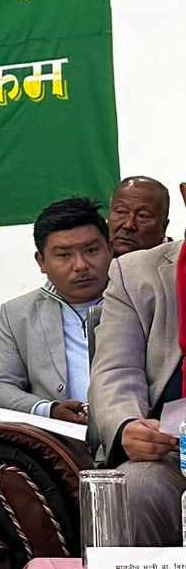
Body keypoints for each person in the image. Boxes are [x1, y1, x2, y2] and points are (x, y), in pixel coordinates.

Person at [89, 182, 186, 543]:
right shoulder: (135, 273)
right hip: (173, 453)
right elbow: (115, 370)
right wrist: (127, 424)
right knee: (134, 489)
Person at [0, 197, 112, 427]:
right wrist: (48, 410)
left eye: (91, 250)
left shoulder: (141, 300)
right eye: (64, 255)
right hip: (57, 437)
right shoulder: (17, 314)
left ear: (110, 249)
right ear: (41, 261)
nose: (80, 265)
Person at [108, 175, 169, 256]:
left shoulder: (178, 261)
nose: (128, 225)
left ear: (164, 227)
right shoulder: (96, 258)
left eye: (143, 216)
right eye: (121, 211)